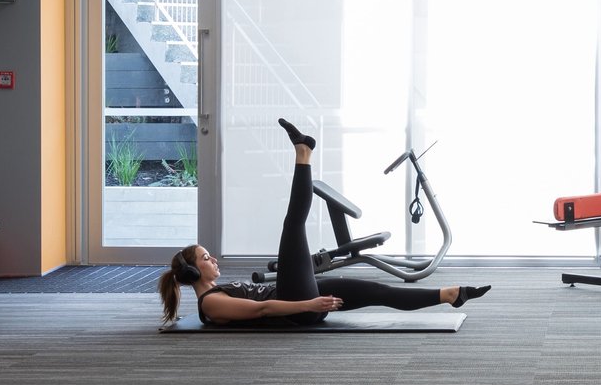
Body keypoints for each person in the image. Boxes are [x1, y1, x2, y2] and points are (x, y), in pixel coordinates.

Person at [156, 119, 490, 329]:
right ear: (193, 272)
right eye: (206, 258)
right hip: (297, 306)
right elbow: (263, 310)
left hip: (300, 298)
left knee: (377, 292)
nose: (213, 259)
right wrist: (310, 304)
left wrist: (311, 300)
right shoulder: (210, 303)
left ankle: (450, 295)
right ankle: (303, 152)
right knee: (293, 226)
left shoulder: (216, 292)